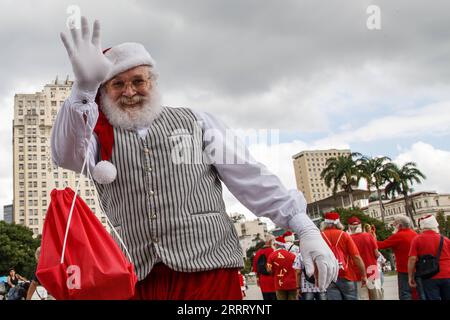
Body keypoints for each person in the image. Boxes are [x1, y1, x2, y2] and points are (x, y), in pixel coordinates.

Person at [52, 16, 338, 300]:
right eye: (117, 84)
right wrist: (83, 90)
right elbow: (64, 154)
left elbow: (250, 177)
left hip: (209, 271)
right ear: (104, 91)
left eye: (138, 81)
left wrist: (304, 226)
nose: (129, 92)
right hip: (137, 276)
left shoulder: (197, 122)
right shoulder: (94, 136)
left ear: (152, 81)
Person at [321, 212, 367, 300]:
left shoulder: (320, 236)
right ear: (338, 222)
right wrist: (363, 275)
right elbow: (356, 257)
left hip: (329, 276)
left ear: (325, 223)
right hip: (347, 274)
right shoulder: (344, 235)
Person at [377, 215, 423, 300]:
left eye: (395, 224)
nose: (393, 226)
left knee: (405, 293)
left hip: (404, 269)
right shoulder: (414, 234)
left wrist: (370, 238)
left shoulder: (398, 236)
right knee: (417, 292)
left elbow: (381, 245)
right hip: (417, 267)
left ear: (400, 225)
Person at [408, 214, 450, 300]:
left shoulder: (417, 239)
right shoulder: (445, 239)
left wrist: (411, 277)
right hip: (447, 274)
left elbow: (412, 259)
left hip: (428, 275)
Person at [347, 216, 382, 300]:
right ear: (360, 226)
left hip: (357, 271)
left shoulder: (348, 239)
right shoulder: (369, 236)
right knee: (375, 294)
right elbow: (377, 254)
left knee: (363, 296)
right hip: (372, 269)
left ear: (349, 227)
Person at [252, 236, 277, 300]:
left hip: (262, 280)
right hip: (273, 279)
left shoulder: (258, 253)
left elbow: (255, 268)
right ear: (270, 241)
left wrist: (257, 278)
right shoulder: (273, 251)